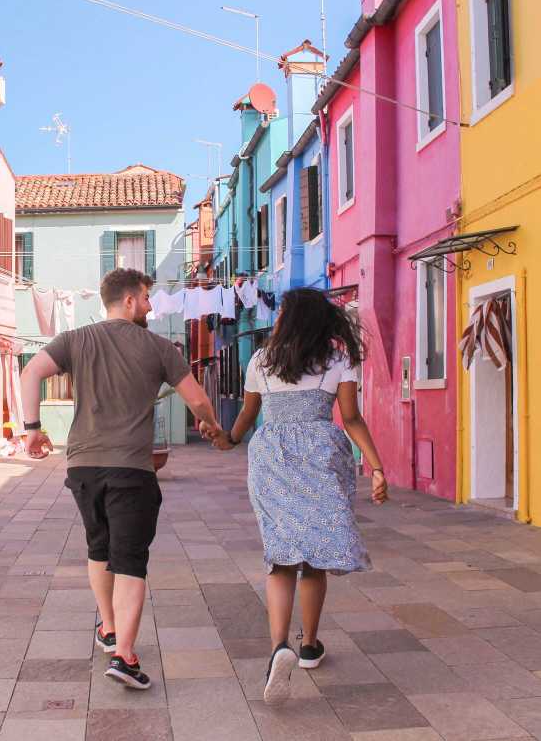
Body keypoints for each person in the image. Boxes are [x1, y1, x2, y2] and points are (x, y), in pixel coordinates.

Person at [21, 268, 221, 690]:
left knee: (98, 547)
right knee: (130, 559)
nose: (150, 305)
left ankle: (109, 629)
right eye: (146, 297)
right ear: (129, 301)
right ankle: (124, 657)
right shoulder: (159, 347)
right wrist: (212, 426)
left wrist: (33, 428)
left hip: (82, 468)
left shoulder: (75, 340)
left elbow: (30, 373)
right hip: (131, 467)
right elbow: (198, 400)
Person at [202, 287, 388, 705]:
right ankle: (309, 645)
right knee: (315, 557)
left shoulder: (261, 361)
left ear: (291, 319)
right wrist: (376, 467)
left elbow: (247, 420)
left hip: (272, 458)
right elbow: (352, 418)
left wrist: (225, 440)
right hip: (321, 455)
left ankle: (278, 647)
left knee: (281, 557)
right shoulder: (338, 359)